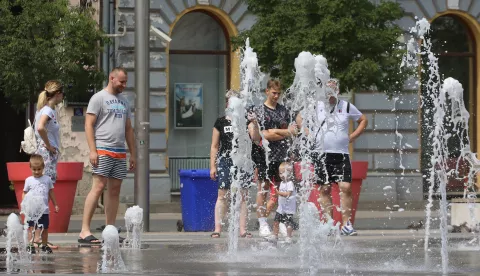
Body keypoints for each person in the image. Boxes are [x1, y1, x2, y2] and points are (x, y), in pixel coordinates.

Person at [296, 78, 367, 236]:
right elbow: (299, 118)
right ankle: (329, 222)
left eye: (333, 91)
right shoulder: (316, 105)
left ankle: (346, 224)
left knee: (346, 187)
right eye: (327, 91)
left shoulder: (346, 106)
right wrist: (308, 134)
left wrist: (352, 137)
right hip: (321, 154)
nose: (330, 94)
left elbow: (363, 120)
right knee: (324, 188)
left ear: (338, 91)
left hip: (341, 154)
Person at [78, 67, 136, 245]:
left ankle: (110, 230)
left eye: (126, 82)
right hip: (103, 148)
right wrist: (93, 149)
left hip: (119, 152)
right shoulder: (98, 98)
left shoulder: (124, 101)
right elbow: (88, 125)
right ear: (112, 78)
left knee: (115, 190)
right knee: (98, 186)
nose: (124, 85)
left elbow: (128, 129)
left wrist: (133, 153)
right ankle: (84, 231)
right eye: (121, 81)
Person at [250, 79, 297, 237]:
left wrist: (274, 132)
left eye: (278, 93)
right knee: (262, 188)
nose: (276, 96)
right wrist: (282, 133)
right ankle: (263, 223)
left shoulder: (284, 111)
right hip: (263, 155)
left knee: (280, 189)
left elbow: (292, 132)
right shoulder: (258, 110)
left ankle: (280, 221)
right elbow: (261, 136)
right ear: (267, 91)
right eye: (273, 93)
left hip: (282, 155)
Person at [209, 90, 252, 238]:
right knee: (222, 195)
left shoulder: (245, 121)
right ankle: (217, 229)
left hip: (242, 160)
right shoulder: (220, 122)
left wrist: (255, 123)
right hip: (226, 160)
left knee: (243, 195)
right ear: (227, 103)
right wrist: (213, 166)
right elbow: (214, 146)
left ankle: (242, 230)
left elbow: (254, 140)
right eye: (230, 101)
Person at [34, 80, 64, 249]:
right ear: (58, 94)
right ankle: (39, 237)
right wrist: (49, 145)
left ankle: (39, 236)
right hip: (47, 155)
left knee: (42, 193)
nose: (63, 97)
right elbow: (40, 128)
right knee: (43, 193)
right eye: (62, 94)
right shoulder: (48, 110)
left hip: (45, 154)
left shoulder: (43, 109)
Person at [23, 154, 59, 254]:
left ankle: (44, 245)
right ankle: (31, 245)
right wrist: (24, 205)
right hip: (32, 210)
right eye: (34, 169)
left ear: (43, 167)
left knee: (45, 228)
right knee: (31, 227)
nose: (37, 172)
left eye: (39, 169)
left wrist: (55, 204)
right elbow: (25, 193)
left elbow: (51, 192)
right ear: (30, 168)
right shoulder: (28, 180)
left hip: (44, 210)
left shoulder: (47, 179)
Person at [264, 162, 297, 244]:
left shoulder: (290, 184)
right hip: (281, 208)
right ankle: (275, 236)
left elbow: (287, 194)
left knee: (288, 224)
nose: (282, 175)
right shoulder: (282, 183)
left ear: (290, 173)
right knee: (276, 222)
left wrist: (278, 193)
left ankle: (289, 237)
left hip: (289, 209)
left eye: (284, 173)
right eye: (280, 173)